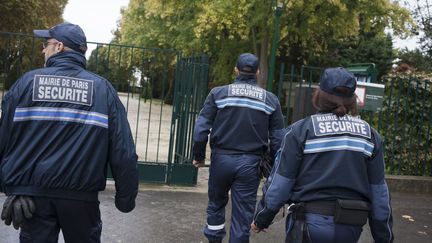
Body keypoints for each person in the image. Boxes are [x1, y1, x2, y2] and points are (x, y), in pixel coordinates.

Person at [0, 22, 139, 242]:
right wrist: (126, 198)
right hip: (81, 200)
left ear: (59, 46)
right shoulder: (102, 90)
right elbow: (124, 151)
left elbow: (4, 139)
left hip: (32, 199)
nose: (43, 50)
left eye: (46, 44)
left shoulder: (25, 84)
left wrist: (11, 187)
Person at [251, 67, 393, 243]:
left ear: (320, 95)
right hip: (350, 226)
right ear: (352, 100)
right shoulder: (370, 135)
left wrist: (262, 218)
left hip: (308, 223)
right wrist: (384, 236)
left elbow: (281, 183)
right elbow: (379, 193)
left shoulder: (301, 131)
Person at [192, 53, 285, 243]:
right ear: (258, 72)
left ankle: (214, 239)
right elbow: (278, 138)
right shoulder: (270, 100)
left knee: (216, 205)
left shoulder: (218, 94)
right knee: (243, 215)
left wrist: (199, 156)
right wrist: (272, 163)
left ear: (236, 69)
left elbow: (201, 129)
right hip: (251, 164)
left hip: (221, 159)